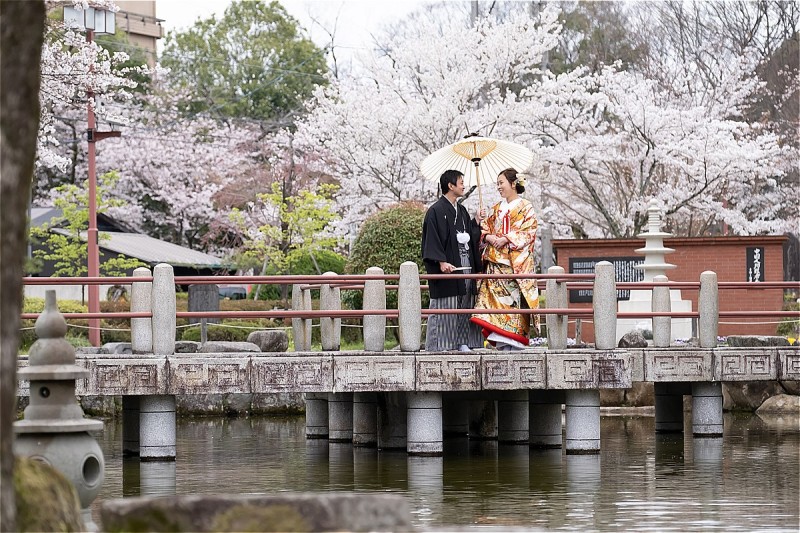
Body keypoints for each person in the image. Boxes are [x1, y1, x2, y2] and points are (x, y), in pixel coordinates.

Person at [471, 168, 539, 350]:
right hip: (495, 265)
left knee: (515, 305)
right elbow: (484, 230)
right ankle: (501, 343)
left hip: (515, 266)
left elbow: (529, 232)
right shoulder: (495, 209)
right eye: (497, 184)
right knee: (496, 305)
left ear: (513, 183)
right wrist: (488, 235)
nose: (499, 187)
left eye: (501, 182)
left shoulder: (526, 207)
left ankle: (514, 342)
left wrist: (507, 238)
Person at [421, 169, 484, 352]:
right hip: (448, 266)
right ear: (450, 185)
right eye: (461, 182)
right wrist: (440, 261)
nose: (464, 185)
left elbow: (470, 234)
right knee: (447, 304)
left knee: (465, 301)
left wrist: (476, 222)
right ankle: (441, 344)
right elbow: (431, 239)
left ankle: (462, 341)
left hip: (465, 263)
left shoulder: (462, 210)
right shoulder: (435, 211)